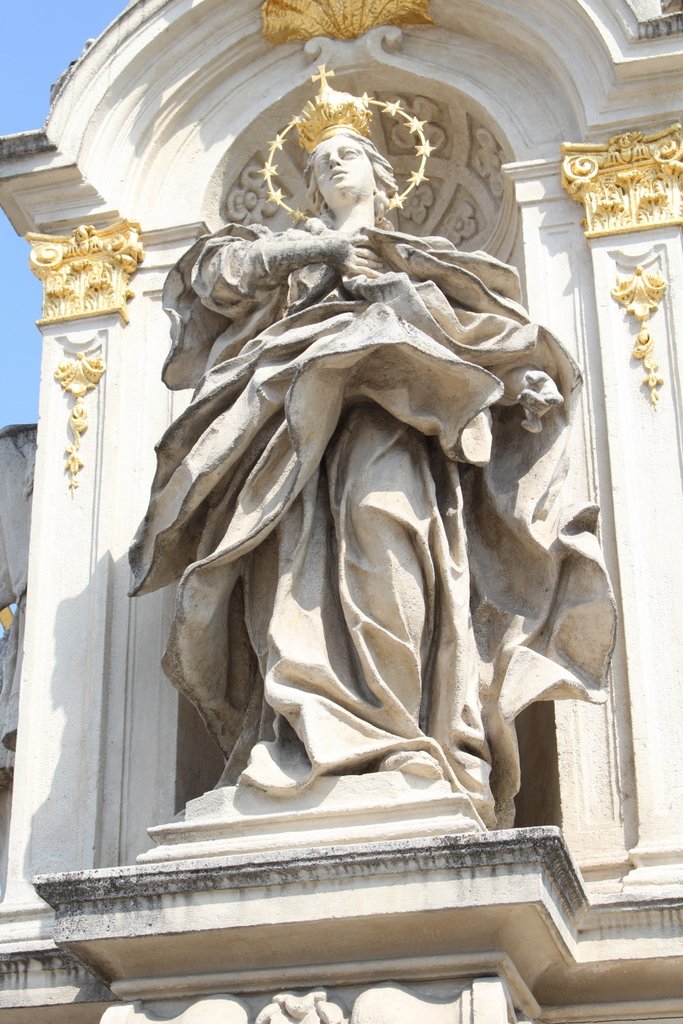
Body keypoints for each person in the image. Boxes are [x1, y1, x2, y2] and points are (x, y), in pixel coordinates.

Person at [130, 79, 615, 828]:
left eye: (347, 154)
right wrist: (321, 249)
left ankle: (406, 741)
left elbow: (479, 335)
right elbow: (212, 277)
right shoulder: (283, 258)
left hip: (392, 434)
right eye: (318, 160)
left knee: (387, 535)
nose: (331, 165)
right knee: (291, 579)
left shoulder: (420, 259)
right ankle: (305, 738)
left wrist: (521, 384)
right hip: (289, 450)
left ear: (384, 175)